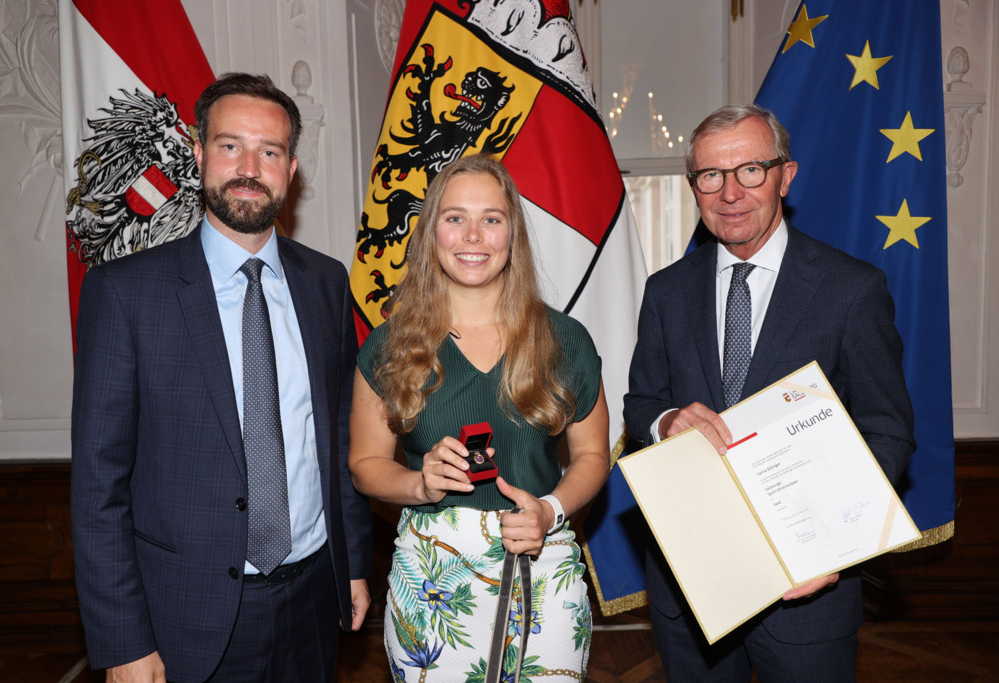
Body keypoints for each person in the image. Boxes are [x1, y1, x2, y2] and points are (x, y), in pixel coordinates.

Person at [70, 72, 372, 682]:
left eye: (270, 152)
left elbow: (340, 438)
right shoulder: (125, 293)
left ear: (291, 169)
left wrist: (355, 563)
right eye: (231, 145)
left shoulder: (326, 282)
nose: (249, 168)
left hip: (314, 597)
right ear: (199, 154)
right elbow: (99, 486)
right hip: (184, 615)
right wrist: (123, 641)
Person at [623, 104, 915, 682]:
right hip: (692, 588)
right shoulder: (666, 291)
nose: (730, 193)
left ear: (786, 175)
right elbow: (640, 405)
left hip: (807, 590)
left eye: (751, 170)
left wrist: (832, 548)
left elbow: (887, 430)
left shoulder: (852, 289)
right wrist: (667, 420)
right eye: (711, 175)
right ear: (694, 187)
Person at [348, 154, 610, 680]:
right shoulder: (388, 347)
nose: (473, 236)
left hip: (542, 562)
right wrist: (420, 484)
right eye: (455, 218)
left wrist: (550, 511)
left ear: (513, 234)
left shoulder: (565, 340)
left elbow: (592, 456)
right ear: (432, 233)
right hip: (432, 578)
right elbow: (365, 464)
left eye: (491, 218)